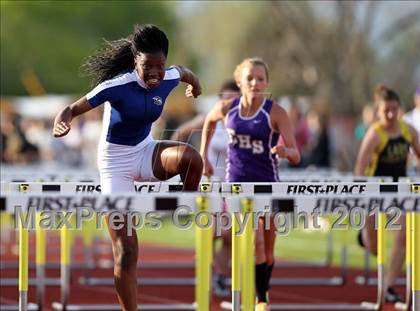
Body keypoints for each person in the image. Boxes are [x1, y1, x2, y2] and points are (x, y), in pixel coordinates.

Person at [53, 24, 203, 311]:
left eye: (160, 66)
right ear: (136, 61)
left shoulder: (169, 76)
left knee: (192, 159)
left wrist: (195, 87)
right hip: (115, 164)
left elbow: (186, 73)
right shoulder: (116, 86)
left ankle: (178, 211)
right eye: (148, 67)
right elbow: (71, 108)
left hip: (145, 151)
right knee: (126, 251)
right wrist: (63, 121)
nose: (155, 74)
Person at [200, 57, 300, 311]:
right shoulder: (227, 108)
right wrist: (204, 157)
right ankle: (259, 299)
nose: (255, 83)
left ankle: (259, 292)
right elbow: (208, 122)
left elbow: (296, 154)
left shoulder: (275, 112)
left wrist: (285, 151)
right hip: (236, 183)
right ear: (239, 81)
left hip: (268, 183)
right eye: (250, 78)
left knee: (267, 248)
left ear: (267, 82)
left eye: (261, 79)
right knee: (252, 240)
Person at [171, 80, 240, 297]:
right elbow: (181, 131)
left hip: (233, 186)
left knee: (230, 236)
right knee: (213, 233)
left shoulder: (243, 121)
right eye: (224, 98)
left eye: (232, 98)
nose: (227, 102)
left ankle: (219, 274)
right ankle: (208, 271)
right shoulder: (211, 117)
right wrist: (177, 160)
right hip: (209, 185)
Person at [355, 85, 420, 303]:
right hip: (374, 191)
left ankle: (388, 285)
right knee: (375, 248)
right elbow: (360, 168)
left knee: (403, 237)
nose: (391, 115)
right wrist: (360, 195)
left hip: (400, 190)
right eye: (386, 111)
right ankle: (365, 238)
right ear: (378, 111)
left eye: (394, 109)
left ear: (400, 108)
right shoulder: (375, 134)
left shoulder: (408, 131)